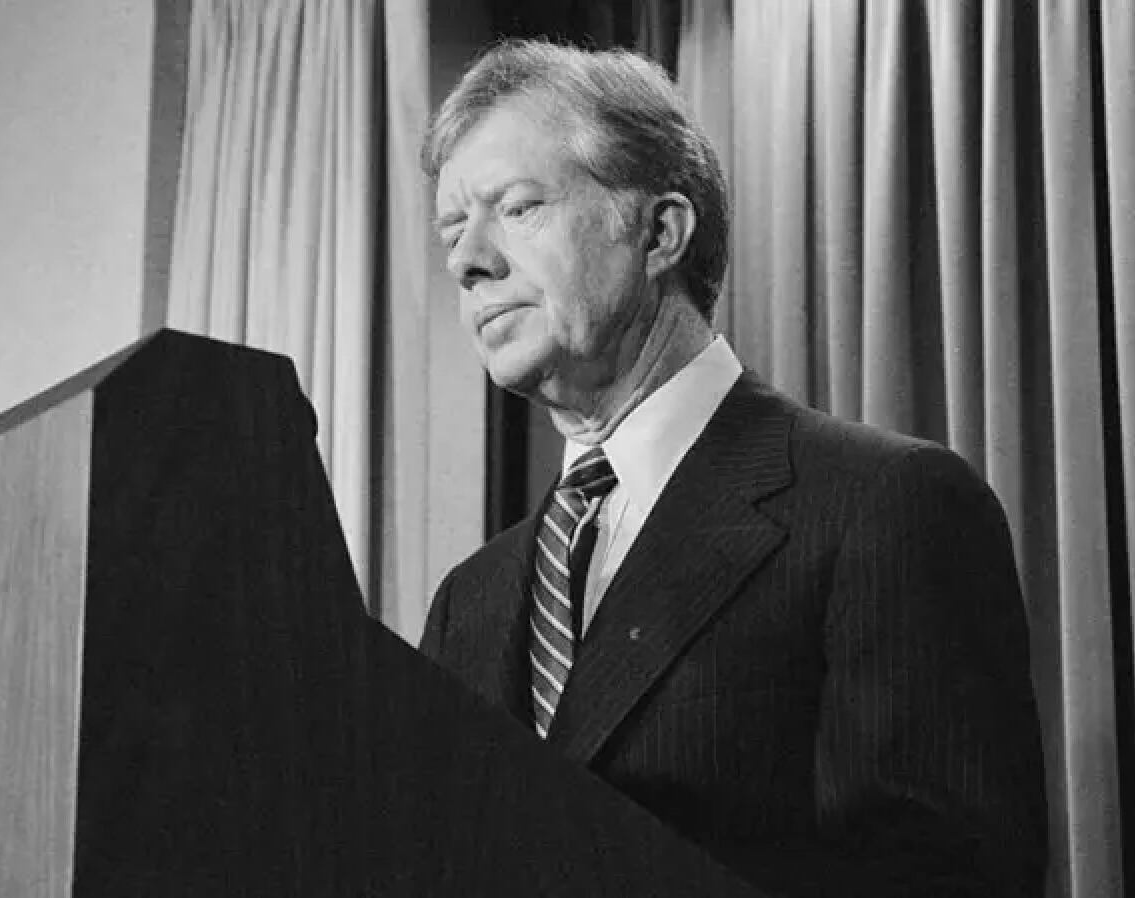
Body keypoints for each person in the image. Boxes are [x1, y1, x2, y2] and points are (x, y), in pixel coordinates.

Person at [418, 39, 1046, 897]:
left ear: (659, 232)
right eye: (454, 230)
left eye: (517, 208)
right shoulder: (469, 601)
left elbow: (947, 876)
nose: (467, 261)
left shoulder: (884, 504)